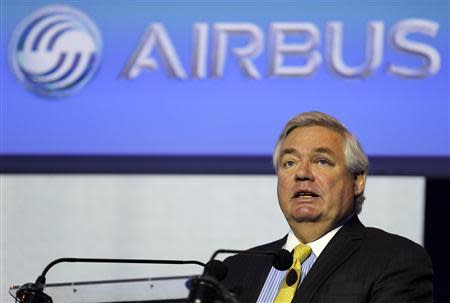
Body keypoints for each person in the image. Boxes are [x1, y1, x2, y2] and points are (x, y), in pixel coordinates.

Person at [222, 111, 433, 303]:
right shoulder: (235, 270)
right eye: (289, 163)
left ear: (357, 180)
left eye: (321, 161)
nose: (302, 173)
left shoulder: (394, 259)